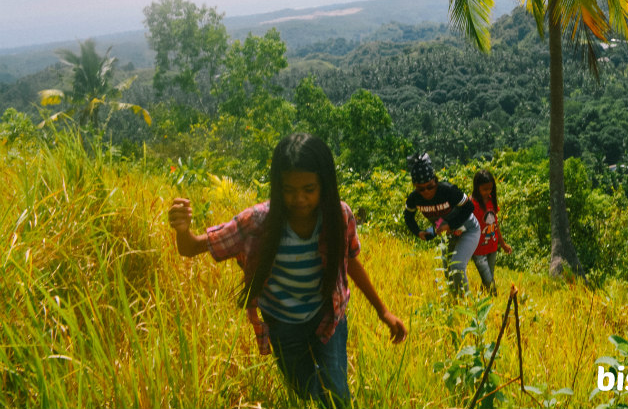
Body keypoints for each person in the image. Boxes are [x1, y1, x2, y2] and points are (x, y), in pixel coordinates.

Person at [167, 133, 406, 409]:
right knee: (303, 390)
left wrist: (383, 311)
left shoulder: (339, 217)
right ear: (277, 187)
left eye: (309, 189)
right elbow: (192, 248)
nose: (299, 199)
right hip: (282, 325)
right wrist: (182, 230)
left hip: (328, 317)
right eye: (289, 190)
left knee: (338, 394)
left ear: (324, 186)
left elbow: (349, 261)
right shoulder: (258, 222)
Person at [403, 152, 480, 294]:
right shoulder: (414, 199)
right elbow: (408, 216)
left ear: (435, 181)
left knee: (457, 267)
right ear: (415, 186)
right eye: (421, 189)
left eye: (430, 186)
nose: (426, 192)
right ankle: (454, 305)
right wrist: (418, 232)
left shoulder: (448, 191)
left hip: (468, 229)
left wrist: (449, 225)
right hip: (449, 234)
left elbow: (469, 207)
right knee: (449, 273)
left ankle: (467, 306)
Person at [469, 169, 512, 294]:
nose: (488, 192)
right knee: (489, 281)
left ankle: (482, 299)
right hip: (478, 249)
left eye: (490, 189)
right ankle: (494, 297)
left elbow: (495, 224)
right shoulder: (472, 204)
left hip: (492, 247)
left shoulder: (491, 200)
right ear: (477, 188)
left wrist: (502, 244)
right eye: (485, 189)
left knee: (488, 278)